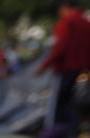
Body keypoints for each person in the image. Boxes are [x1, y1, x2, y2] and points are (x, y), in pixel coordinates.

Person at [37, 0, 90, 131]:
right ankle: (76, 130)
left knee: (59, 102)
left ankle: (58, 133)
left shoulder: (67, 23)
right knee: (76, 101)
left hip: (66, 69)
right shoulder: (86, 23)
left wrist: (44, 65)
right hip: (83, 70)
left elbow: (60, 48)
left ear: (65, 7)